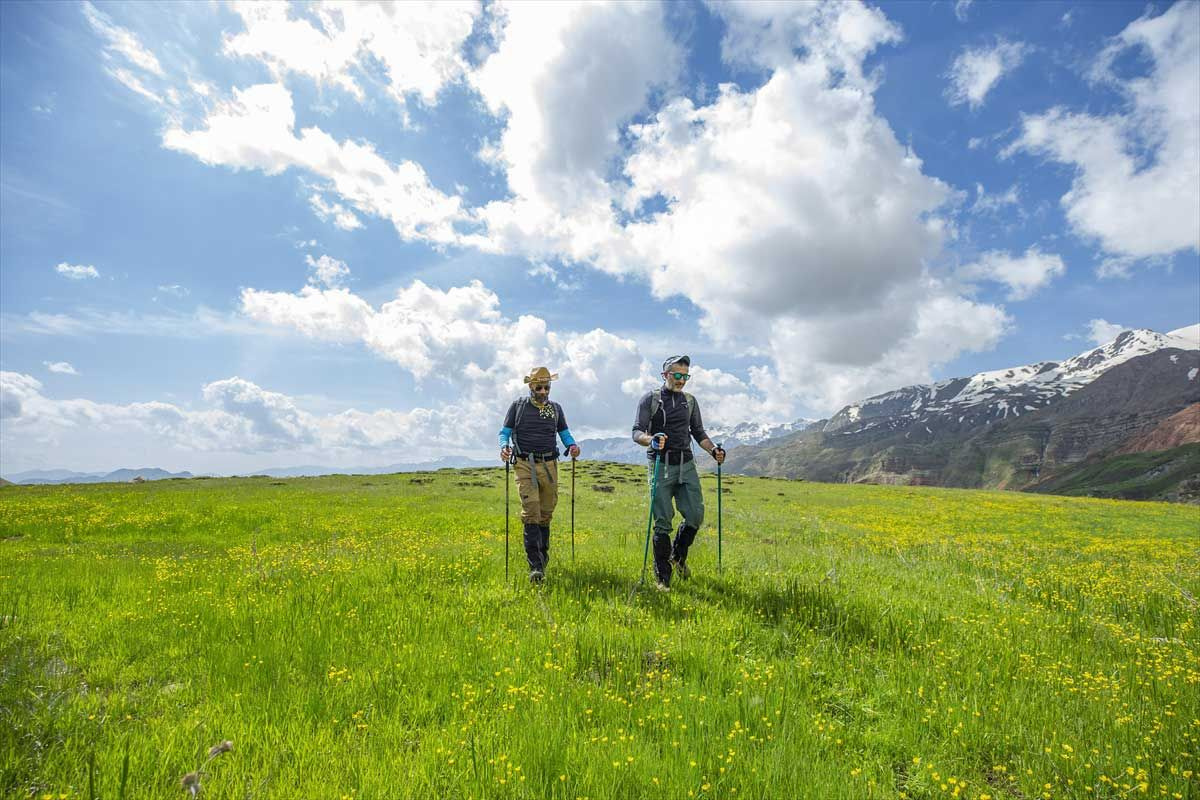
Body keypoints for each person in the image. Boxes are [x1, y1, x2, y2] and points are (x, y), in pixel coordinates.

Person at [631, 355, 725, 591]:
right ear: (665, 375)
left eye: (685, 376)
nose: (682, 380)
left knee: (695, 515)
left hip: (687, 465)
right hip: (661, 465)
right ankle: (663, 579)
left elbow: (699, 432)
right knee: (662, 522)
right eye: (677, 375)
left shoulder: (690, 401)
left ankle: (677, 556)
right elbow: (636, 432)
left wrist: (713, 450)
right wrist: (651, 440)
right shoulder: (650, 400)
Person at [499, 366, 581, 583]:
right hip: (525, 463)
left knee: (546, 512)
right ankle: (535, 566)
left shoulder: (556, 409)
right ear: (530, 386)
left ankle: (543, 560)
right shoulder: (518, 407)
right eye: (539, 387)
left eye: (547, 387)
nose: (544, 391)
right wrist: (503, 446)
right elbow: (504, 432)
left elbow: (564, 433)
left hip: (550, 465)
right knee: (531, 509)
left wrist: (572, 445)